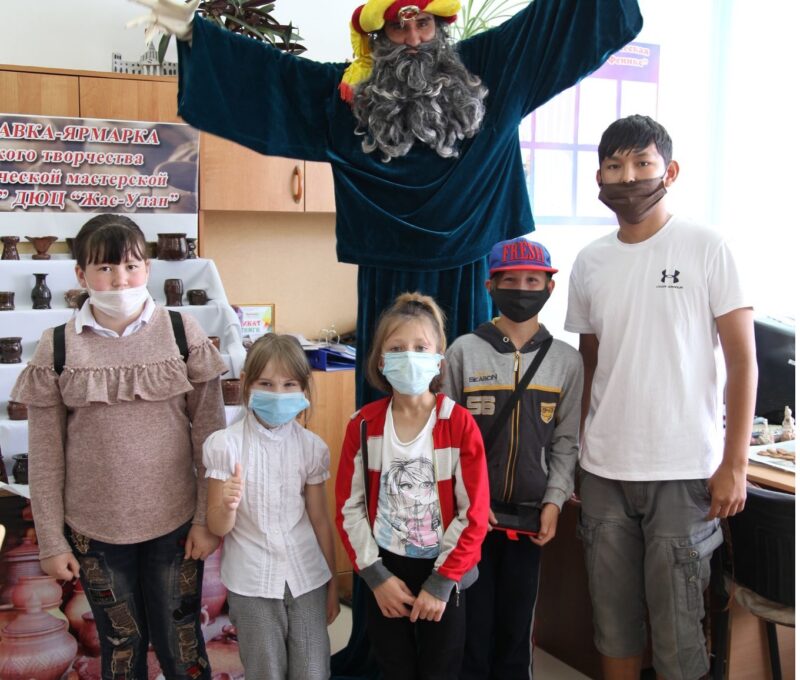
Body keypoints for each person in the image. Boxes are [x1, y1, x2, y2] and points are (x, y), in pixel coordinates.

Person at [130, 0, 643, 406]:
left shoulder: (489, 71)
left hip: (468, 270)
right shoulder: (346, 96)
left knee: (465, 409)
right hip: (386, 274)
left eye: (423, 24)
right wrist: (196, 34)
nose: (414, 39)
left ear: (441, 27)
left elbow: (555, 23)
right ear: (378, 37)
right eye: (399, 28)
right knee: (385, 406)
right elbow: (276, 82)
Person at [565, 114, 757, 680]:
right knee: (613, 624)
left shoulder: (707, 247)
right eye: (614, 166)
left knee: (677, 632)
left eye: (642, 163)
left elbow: (742, 361)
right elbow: (590, 362)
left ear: (669, 172)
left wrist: (735, 463)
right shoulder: (590, 261)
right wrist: (577, 453)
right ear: (599, 177)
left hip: (683, 471)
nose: (628, 177)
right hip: (604, 470)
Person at [10, 213, 227, 680]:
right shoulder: (57, 347)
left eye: (130, 266)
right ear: (81, 274)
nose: (119, 279)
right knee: (121, 646)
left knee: (182, 642)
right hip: (94, 531)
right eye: (105, 268)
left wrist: (205, 519)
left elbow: (210, 440)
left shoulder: (182, 333)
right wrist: (51, 541)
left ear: (147, 268)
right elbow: (45, 457)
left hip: (175, 524)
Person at [442, 236, 582, 679]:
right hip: (472, 519)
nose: (522, 289)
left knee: (516, 631)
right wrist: (461, 501)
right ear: (491, 286)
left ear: (549, 288)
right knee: (472, 628)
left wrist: (554, 501)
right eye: (511, 280)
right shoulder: (463, 352)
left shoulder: (566, 361)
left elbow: (566, 441)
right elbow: (445, 438)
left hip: (529, 519)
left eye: (532, 281)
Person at [335, 292, 490, 679]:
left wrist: (443, 581)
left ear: (438, 358)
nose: (409, 356)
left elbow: (474, 514)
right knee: (394, 667)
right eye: (396, 348)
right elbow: (348, 508)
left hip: (446, 569)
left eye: (420, 347)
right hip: (385, 569)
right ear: (381, 360)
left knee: (442, 668)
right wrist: (376, 577)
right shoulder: (363, 424)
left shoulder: (459, 424)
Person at [202, 333, 339, 679]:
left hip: (307, 576)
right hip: (252, 581)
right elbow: (217, 526)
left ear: (303, 388)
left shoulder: (311, 447)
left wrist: (333, 584)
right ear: (246, 383)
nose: (278, 393)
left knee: (312, 669)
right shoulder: (225, 445)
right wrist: (228, 505)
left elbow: (320, 520)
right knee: (266, 670)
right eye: (266, 383)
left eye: (289, 384)